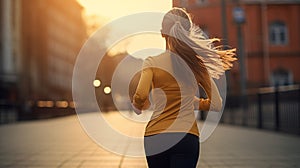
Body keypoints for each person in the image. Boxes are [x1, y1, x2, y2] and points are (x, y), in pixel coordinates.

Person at [131, 7, 237, 168]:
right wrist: (193, 102)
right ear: (187, 33)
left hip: (155, 136)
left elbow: (140, 95)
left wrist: (137, 106)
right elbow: (216, 104)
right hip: (186, 138)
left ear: (162, 33)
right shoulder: (196, 64)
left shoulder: (152, 62)